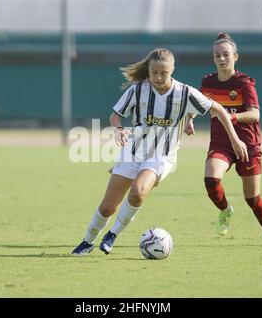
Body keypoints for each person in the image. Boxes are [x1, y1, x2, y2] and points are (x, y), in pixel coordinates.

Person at [72, 48, 248, 256]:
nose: (158, 77)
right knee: (108, 207)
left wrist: (235, 139)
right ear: (149, 69)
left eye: (163, 73)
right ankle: (88, 241)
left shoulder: (184, 92)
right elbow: (115, 116)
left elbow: (218, 109)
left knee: (138, 192)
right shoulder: (138, 90)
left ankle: (112, 235)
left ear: (172, 70)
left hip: (161, 156)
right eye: (154, 72)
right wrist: (118, 130)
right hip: (133, 152)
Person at [185, 32, 262, 247]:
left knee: (252, 199)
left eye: (226, 54)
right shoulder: (208, 82)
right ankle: (225, 211)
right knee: (211, 180)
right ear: (213, 58)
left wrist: (230, 116)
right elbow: (198, 104)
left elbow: (255, 114)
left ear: (235, 57)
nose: (221, 58)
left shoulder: (244, 83)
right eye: (217, 55)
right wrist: (189, 118)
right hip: (221, 143)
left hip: (248, 144)